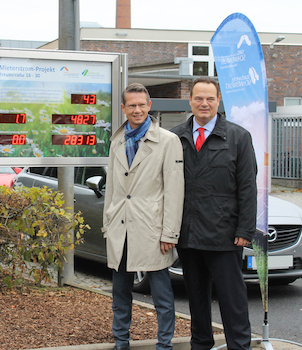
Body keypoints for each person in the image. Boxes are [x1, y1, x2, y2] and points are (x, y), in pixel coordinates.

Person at [171, 76, 257, 350]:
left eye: (210, 98)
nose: (204, 103)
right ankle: (200, 345)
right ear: (190, 101)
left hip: (225, 237)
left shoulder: (238, 137)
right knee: (196, 300)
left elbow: (247, 188)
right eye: (199, 98)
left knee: (233, 301)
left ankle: (239, 347)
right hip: (188, 235)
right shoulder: (175, 137)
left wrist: (245, 230)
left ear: (219, 100)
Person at [102, 83, 184, 350]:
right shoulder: (117, 141)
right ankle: (121, 342)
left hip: (152, 229)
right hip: (121, 227)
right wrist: (108, 223)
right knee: (120, 293)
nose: (137, 110)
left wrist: (169, 233)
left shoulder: (168, 141)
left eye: (142, 104)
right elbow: (113, 188)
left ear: (149, 106)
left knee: (161, 293)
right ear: (123, 108)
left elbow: (174, 190)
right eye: (131, 105)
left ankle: (164, 345)